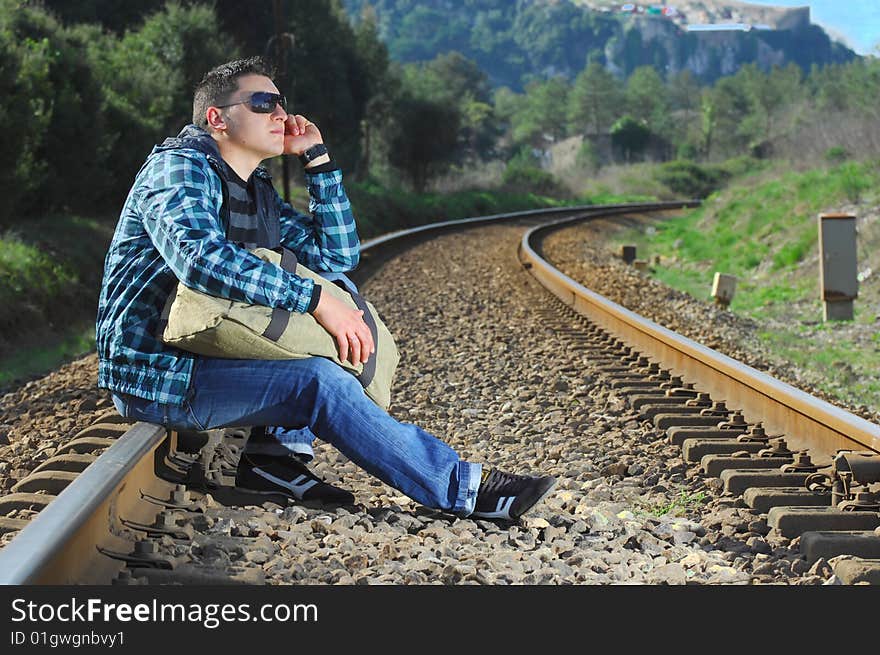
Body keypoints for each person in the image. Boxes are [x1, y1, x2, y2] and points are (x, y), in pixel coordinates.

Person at [96, 56, 555, 522]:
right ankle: (463, 490)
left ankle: (269, 458)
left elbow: (335, 257)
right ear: (217, 118)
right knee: (319, 380)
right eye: (263, 103)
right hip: (158, 371)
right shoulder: (179, 171)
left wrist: (318, 162)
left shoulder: (253, 188)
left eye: (281, 103)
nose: (280, 114)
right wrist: (317, 303)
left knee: (330, 287)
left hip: (205, 351)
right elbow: (200, 260)